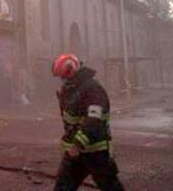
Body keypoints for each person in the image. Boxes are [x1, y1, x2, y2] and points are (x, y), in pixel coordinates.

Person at [52, 54, 124, 191]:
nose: (63, 81)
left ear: (72, 72)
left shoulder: (93, 90)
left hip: (96, 152)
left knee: (110, 186)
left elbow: (94, 120)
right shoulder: (71, 90)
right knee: (62, 187)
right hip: (75, 154)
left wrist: (77, 145)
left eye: (64, 77)